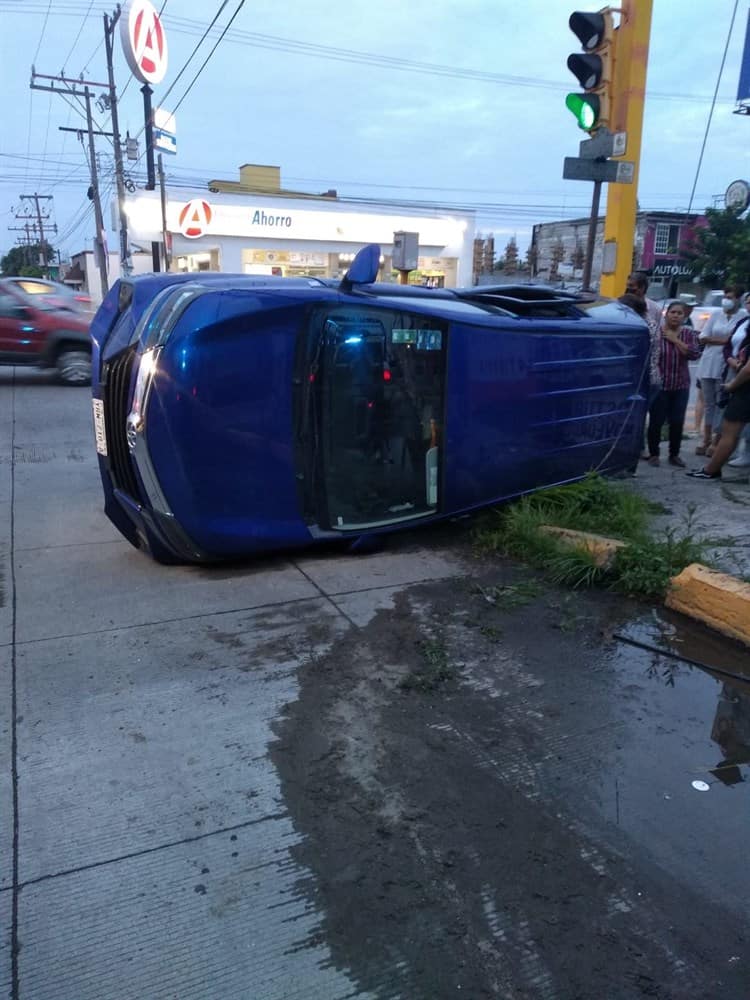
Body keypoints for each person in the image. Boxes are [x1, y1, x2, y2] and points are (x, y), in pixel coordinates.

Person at [688, 319, 750, 480]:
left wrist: (732, 385)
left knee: (729, 432)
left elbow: (748, 370)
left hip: (745, 392)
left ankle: (711, 470)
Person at [646, 301, 700, 467]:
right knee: (656, 421)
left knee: (677, 422)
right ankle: (654, 453)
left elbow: (693, 354)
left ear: (684, 316)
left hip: (680, 385)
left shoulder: (688, 334)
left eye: (680, 313)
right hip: (660, 385)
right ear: (666, 314)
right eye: (673, 312)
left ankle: (674, 454)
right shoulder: (656, 332)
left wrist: (675, 340)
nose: (676, 316)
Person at [695, 285, 747, 457]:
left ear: (738, 299)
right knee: (708, 403)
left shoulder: (743, 317)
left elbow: (734, 343)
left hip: (727, 366)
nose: (727, 300)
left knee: (721, 404)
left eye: (730, 297)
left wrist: (718, 340)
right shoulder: (716, 314)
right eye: (726, 296)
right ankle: (706, 439)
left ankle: (717, 442)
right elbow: (702, 338)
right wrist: (724, 340)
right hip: (708, 362)